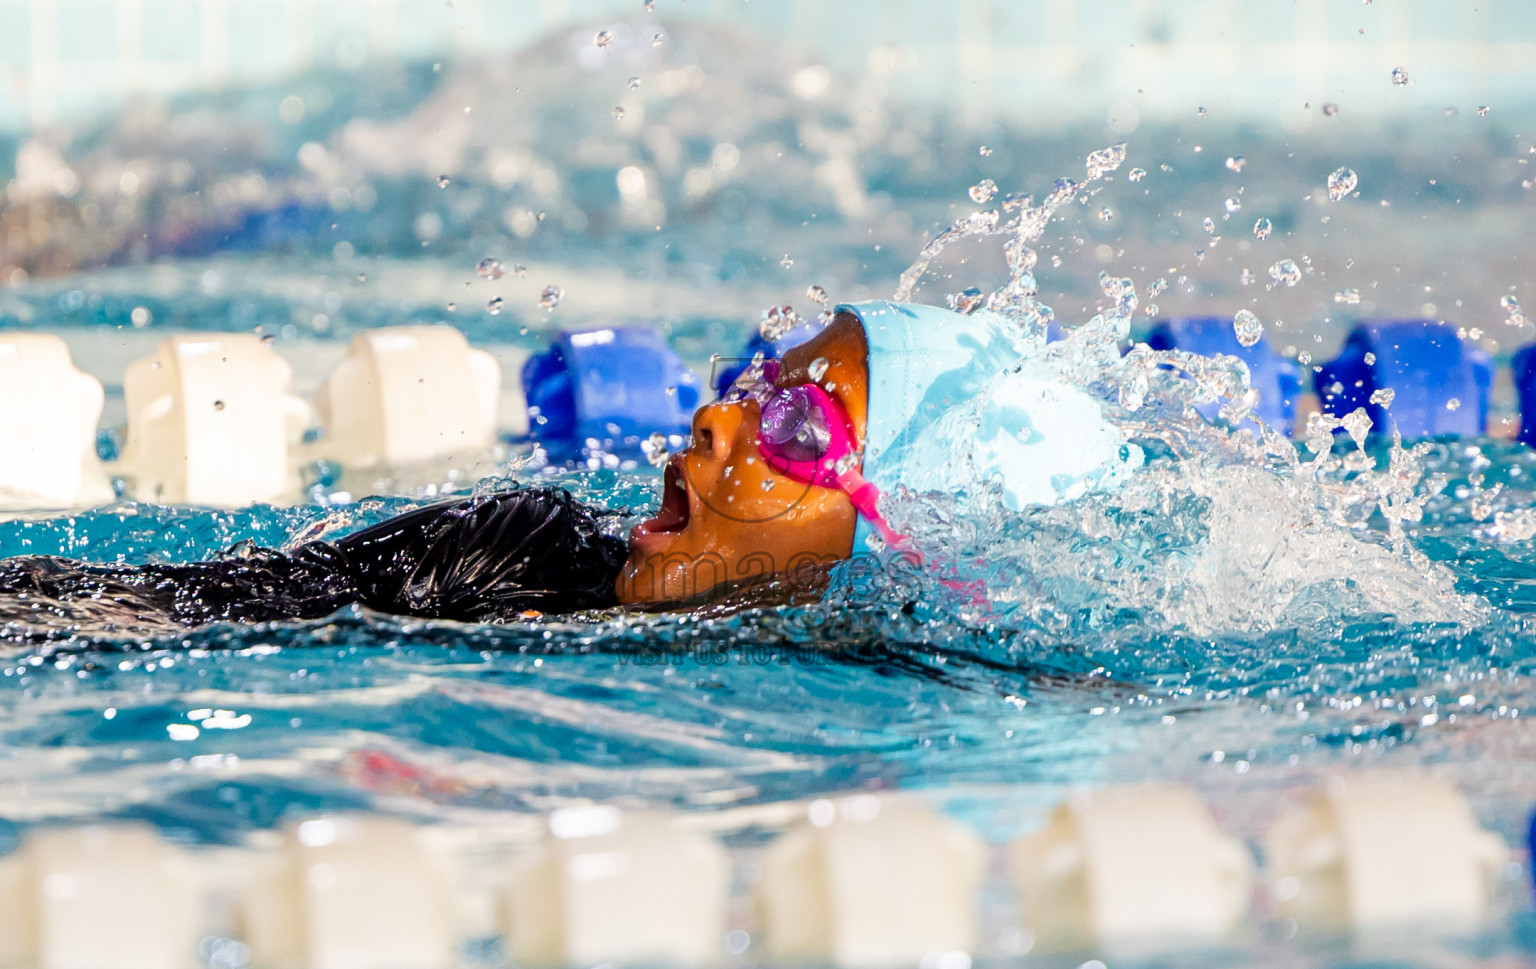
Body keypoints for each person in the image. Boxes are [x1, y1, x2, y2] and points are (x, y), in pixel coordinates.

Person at [0, 302, 1137, 641]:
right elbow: (174, 608)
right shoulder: (511, 545)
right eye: (753, 386)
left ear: (901, 532)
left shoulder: (895, 683)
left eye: (795, 424)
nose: (712, 419)